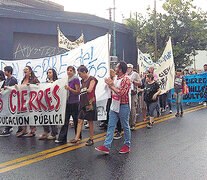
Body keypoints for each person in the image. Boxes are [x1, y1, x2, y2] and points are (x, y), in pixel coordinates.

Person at [95, 61, 131, 154]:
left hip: (123, 105)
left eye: (117, 67)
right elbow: (112, 89)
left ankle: (127, 145)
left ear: (120, 69)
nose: (115, 68)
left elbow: (122, 93)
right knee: (111, 126)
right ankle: (106, 146)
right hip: (114, 105)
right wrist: (108, 84)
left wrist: (111, 86)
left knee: (125, 126)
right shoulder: (115, 78)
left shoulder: (126, 79)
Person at [70, 65, 98, 146]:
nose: (79, 76)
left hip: (90, 102)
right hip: (83, 101)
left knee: (90, 121)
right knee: (79, 120)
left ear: (84, 72)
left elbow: (90, 90)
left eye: (80, 74)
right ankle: (76, 138)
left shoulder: (92, 79)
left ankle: (91, 138)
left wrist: (81, 90)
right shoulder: (82, 80)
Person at [55, 66, 81, 143]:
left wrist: (69, 89)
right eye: (68, 70)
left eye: (70, 70)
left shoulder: (75, 79)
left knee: (76, 120)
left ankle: (78, 136)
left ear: (74, 72)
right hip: (67, 102)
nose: (69, 72)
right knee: (65, 120)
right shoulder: (66, 80)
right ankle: (62, 138)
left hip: (74, 102)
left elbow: (77, 92)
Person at [16, 66, 40, 137]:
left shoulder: (34, 79)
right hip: (24, 100)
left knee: (31, 115)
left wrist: (33, 85)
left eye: (26, 69)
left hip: (31, 100)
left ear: (30, 71)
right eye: (24, 69)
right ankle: (24, 130)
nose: (25, 70)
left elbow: (39, 87)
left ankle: (32, 131)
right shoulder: (23, 79)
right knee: (23, 115)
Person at [38, 69, 58, 140]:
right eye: (48, 73)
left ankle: (54, 133)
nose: (48, 74)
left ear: (53, 74)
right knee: (44, 116)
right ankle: (46, 131)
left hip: (53, 102)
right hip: (46, 102)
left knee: (52, 117)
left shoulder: (57, 82)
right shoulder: (46, 82)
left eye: (50, 72)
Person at [0, 66, 18, 136]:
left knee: (9, 113)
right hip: (7, 100)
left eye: (5, 71)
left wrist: (7, 88)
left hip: (11, 100)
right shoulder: (6, 80)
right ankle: (9, 127)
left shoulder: (13, 80)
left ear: (9, 72)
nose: (4, 72)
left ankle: (7, 128)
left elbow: (15, 89)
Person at [127, 64, 142, 130]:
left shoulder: (135, 74)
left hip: (133, 94)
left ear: (131, 68)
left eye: (129, 68)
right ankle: (127, 123)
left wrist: (133, 82)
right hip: (126, 94)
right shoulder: (125, 74)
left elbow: (140, 83)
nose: (127, 69)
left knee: (132, 109)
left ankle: (133, 123)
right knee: (126, 109)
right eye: (127, 68)